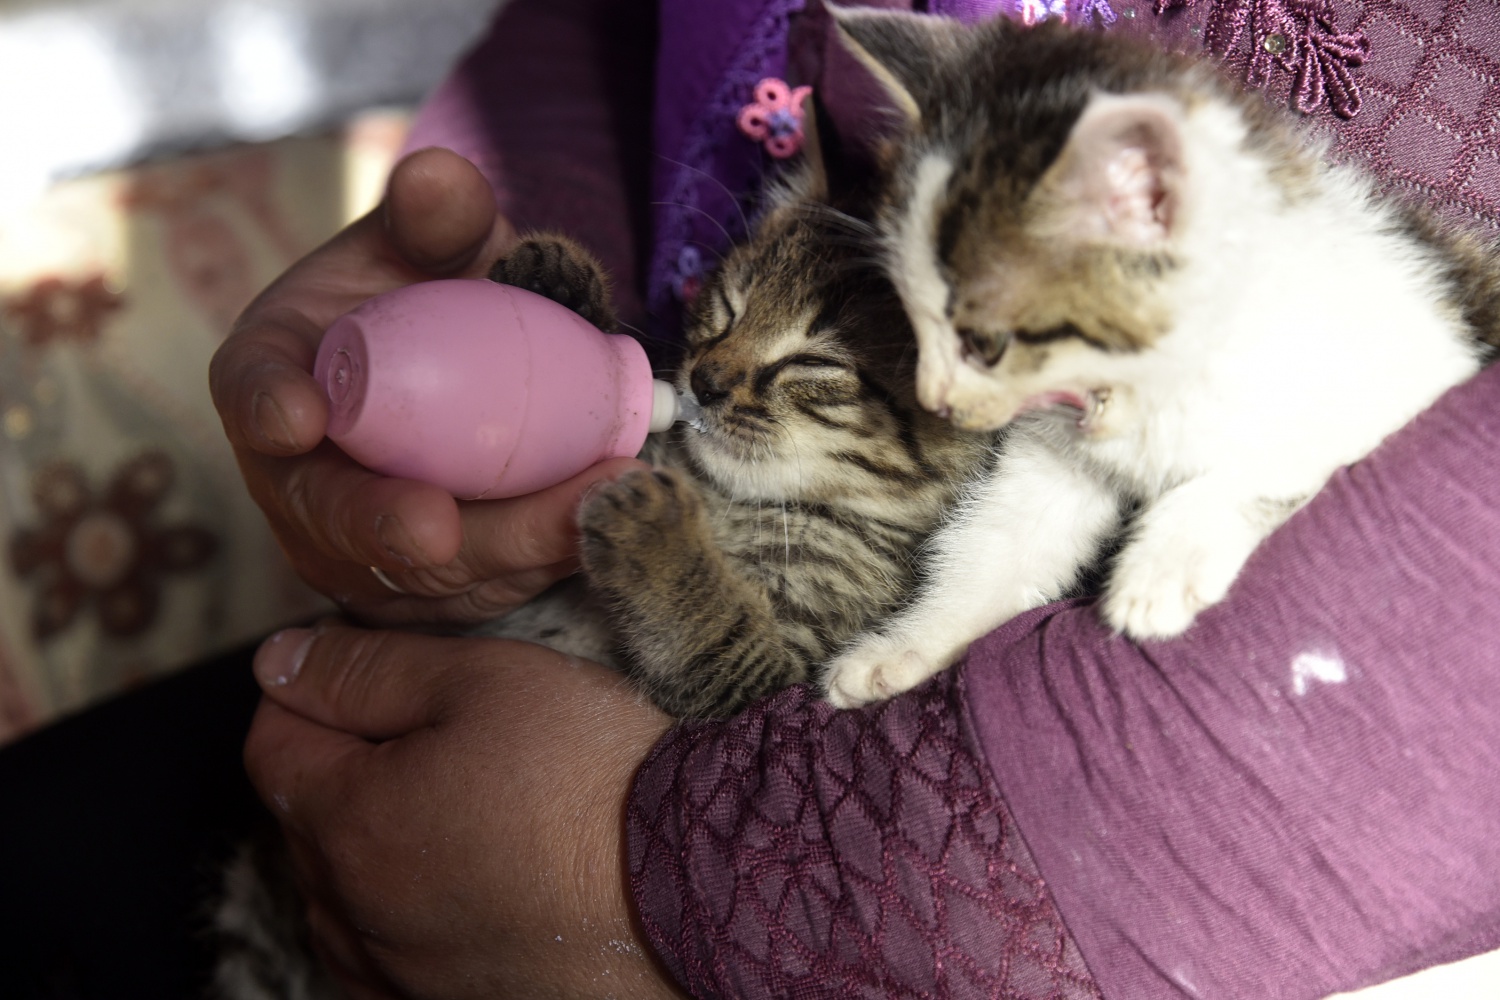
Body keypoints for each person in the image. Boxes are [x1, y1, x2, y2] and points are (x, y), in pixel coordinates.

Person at [8, 0, 1498, 997]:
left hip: (1047, 842)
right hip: (621, 655)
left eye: (961, 352)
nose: (940, 386)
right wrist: (512, 284)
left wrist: (651, 873)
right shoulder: (978, 278)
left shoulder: (1258, 287)